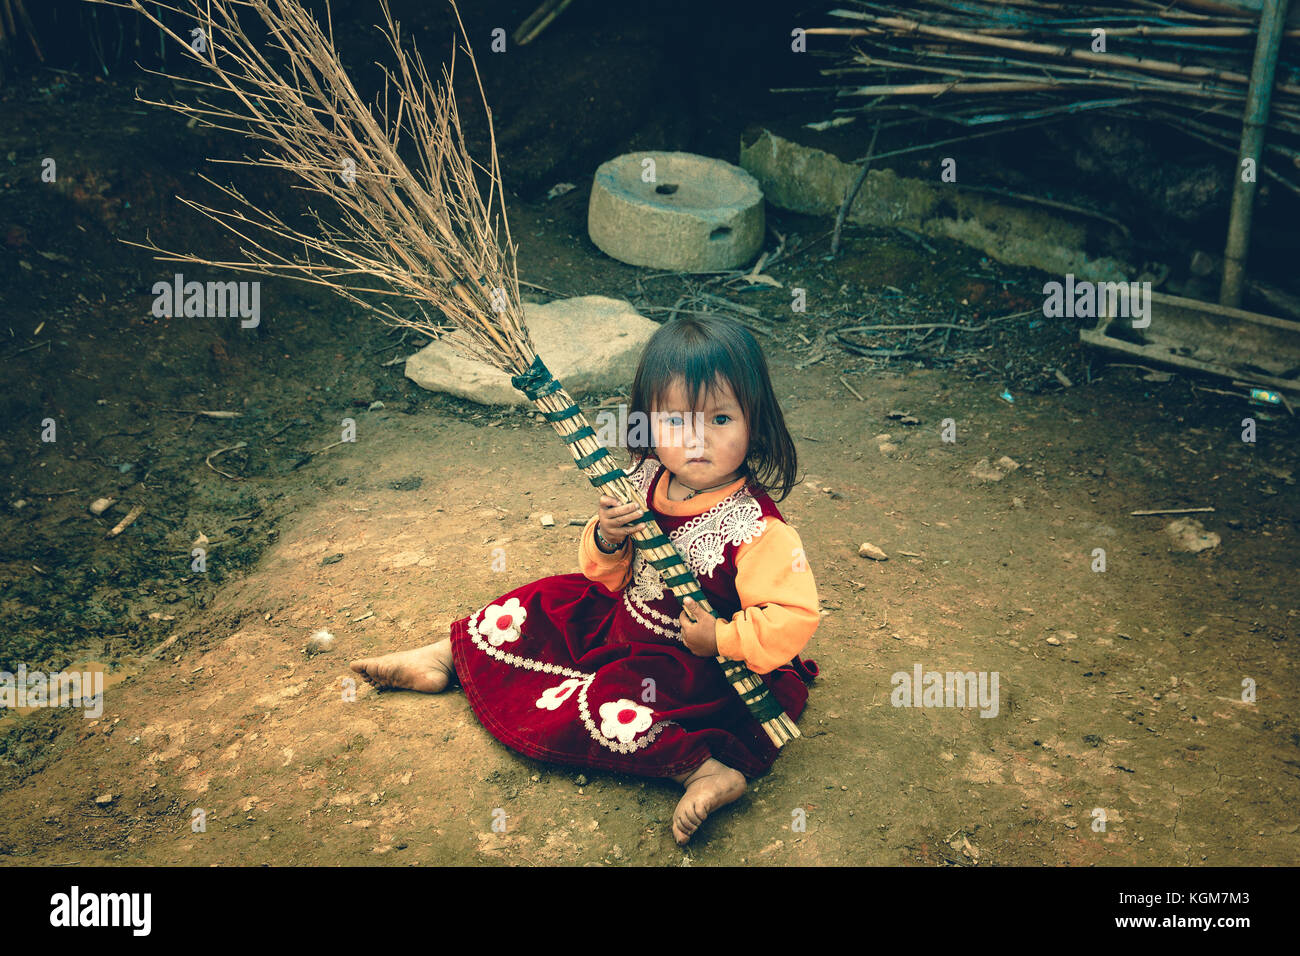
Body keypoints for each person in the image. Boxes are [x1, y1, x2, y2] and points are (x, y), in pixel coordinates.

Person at [351, 315, 820, 845]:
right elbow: (604, 575)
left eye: (719, 418)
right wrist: (608, 538)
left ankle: (703, 769)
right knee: (541, 599)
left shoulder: (756, 529)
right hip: (621, 621)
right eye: (674, 422)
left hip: (686, 665)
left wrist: (721, 638)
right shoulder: (642, 482)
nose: (696, 440)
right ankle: (443, 655)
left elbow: (792, 617)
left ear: (755, 422)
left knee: (611, 703)